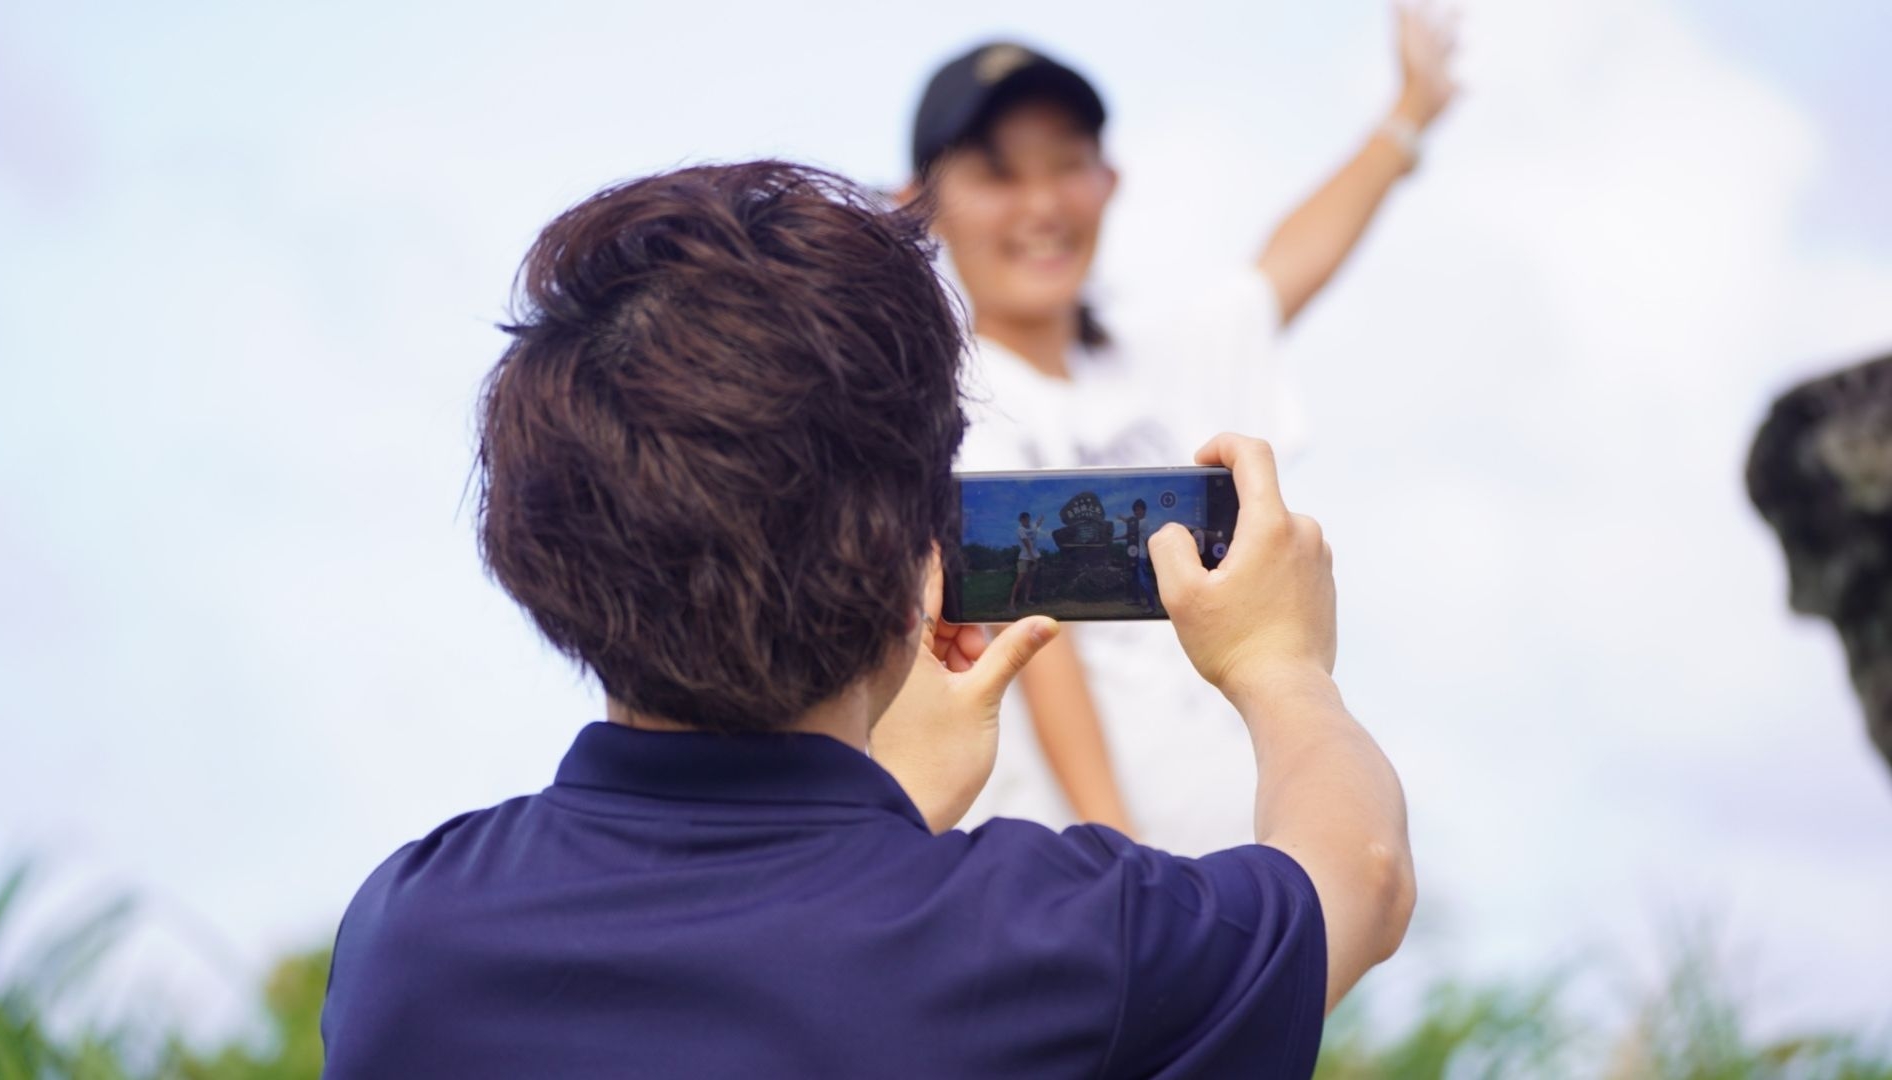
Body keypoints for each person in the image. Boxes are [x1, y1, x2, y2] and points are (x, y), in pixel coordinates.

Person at [320, 162, 1412, 1077]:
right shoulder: (1054, 939)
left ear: (540, 548)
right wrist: (1281, 664)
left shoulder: (408, 938)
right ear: (911, 545)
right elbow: (1355, 872)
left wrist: (887, 821)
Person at [904, 10, 1457, 847]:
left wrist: (1410, 110)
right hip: (1094, 899)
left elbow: (1284, 268)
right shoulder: (943, 408)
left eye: (1069, 166)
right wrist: (1119, 863)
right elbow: (1040, 644)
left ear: (1110, 179)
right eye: (999, 175)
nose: (1044, 204)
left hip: (1237, 884)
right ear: (918, 202)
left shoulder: (1163, 362)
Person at [1115, 498, 1156, 612]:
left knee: (1143, 580)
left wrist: (1122, 518)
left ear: (1144, 511)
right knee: (1135, 579)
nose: (1137, 512)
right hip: (1133, 555)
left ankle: (1152, 605)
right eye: (1135, 510)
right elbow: (1129, 534)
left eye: (1139, 510)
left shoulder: (1143, 522)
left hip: (1141, 555)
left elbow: (1131, 523)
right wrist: (1116, 538)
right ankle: (1136, 599)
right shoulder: (1135, 524)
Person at [1009, 509, 1045, 613]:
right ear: (1020, 520)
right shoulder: (1020, 530)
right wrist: (1032, 556)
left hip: (1034, 557)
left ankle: (1026, 600)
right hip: (1024, 558)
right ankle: (1011, 603)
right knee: (1020, 580)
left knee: (1030, 579)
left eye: (1027, 519)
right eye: (1024, 520)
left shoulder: (1032, 527)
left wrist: (1040, 520)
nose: (1026, 521)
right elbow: (1027, 544)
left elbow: (1037, 525)